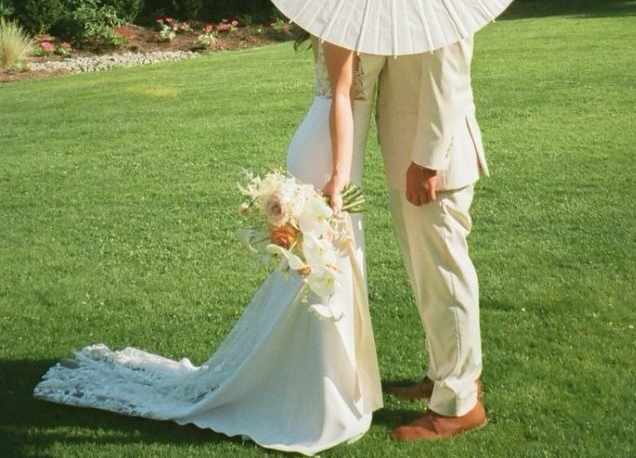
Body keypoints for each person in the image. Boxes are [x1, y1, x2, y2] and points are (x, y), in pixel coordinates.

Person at [33, 38, 385, 455]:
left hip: (343, 155)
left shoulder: (373, 18)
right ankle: (312, 397)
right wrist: (339, 178)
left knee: (326, 271)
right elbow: (342, 93)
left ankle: (326, 386)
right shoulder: (341, 22)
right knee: (319, 273)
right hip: (327, 156)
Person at [376, 36, 489, 442]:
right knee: (428, 279)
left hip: (435, 166)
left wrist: (427, 160)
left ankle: (459, 405)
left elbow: (450, 78)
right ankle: (443, 375)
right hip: (407, 158)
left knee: (445, 279)